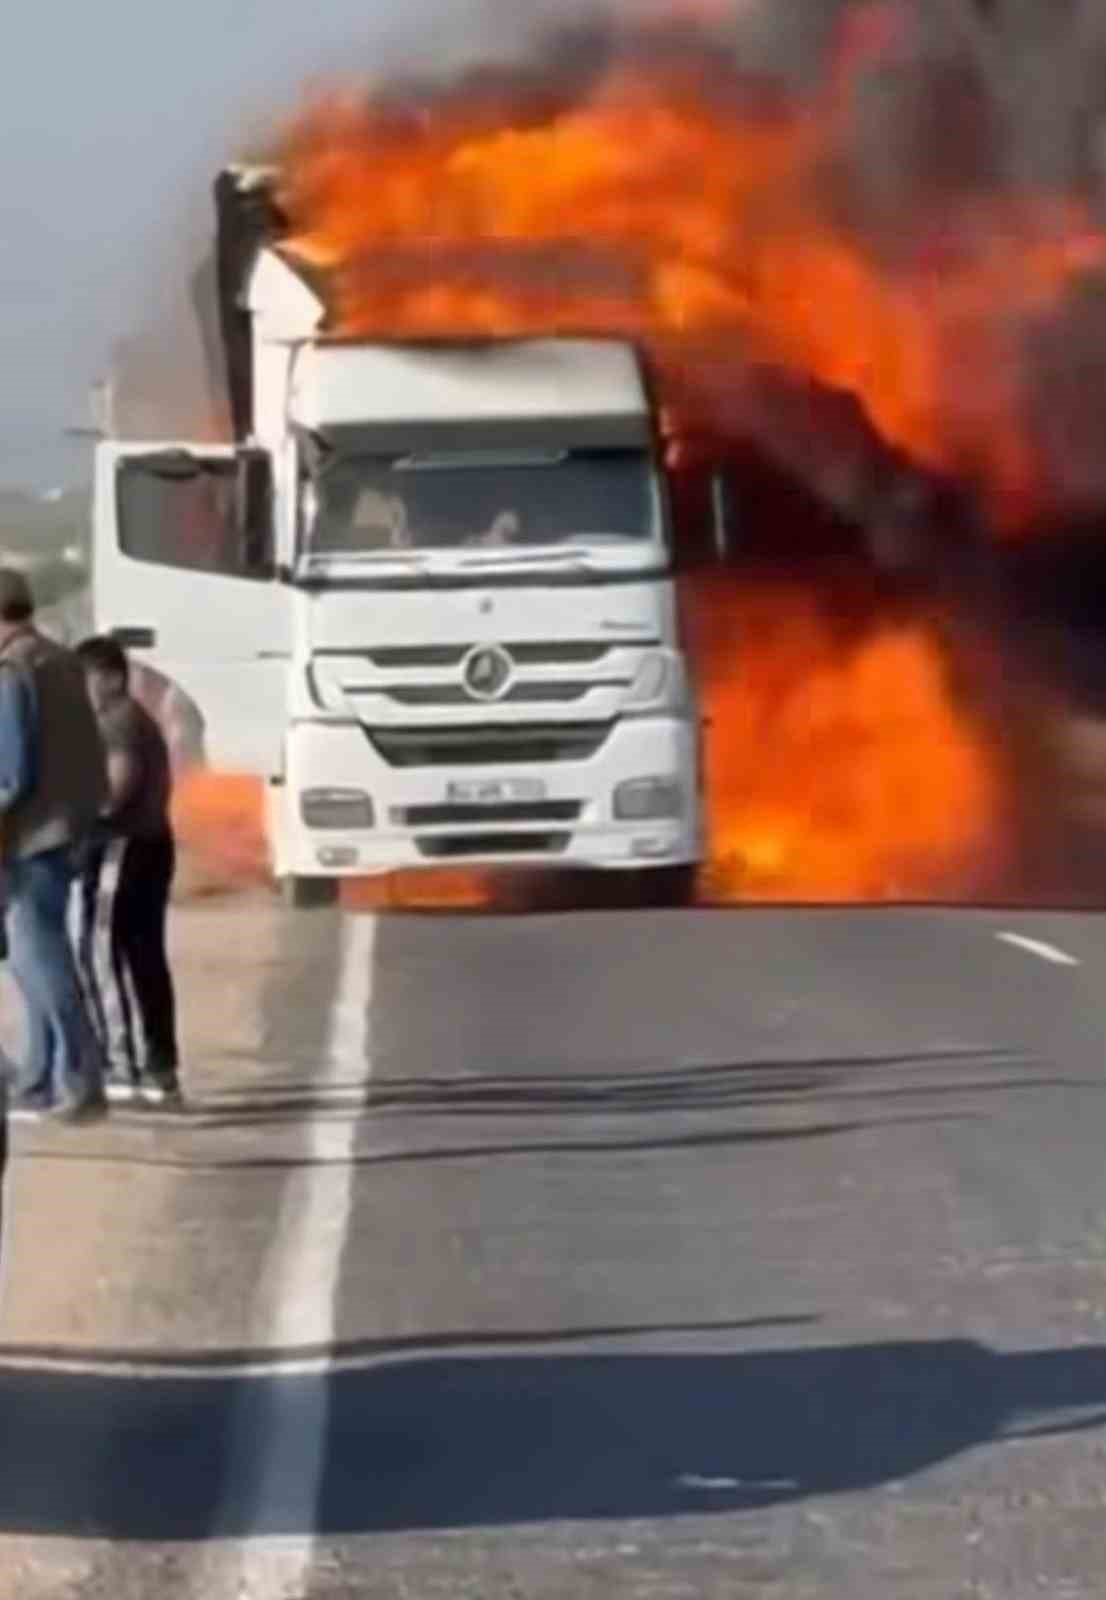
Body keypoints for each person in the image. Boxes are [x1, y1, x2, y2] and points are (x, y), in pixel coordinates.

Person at [0, 570, 109, 1123]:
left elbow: (10, 775)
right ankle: (40, 1073)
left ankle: (79, 1078)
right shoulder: (60, 661)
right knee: (31, 958)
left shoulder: (11, 672)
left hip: (28, 837)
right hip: (68, 826)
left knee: (40, 960)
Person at [73, 636, 182, 1107]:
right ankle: (156, 1067)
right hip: (145, 846)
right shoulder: (123, 721)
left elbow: (114, 794)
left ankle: (127, 1065)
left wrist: (68, 810)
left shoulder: (120, 724)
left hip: (124, 846)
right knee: (140, 956)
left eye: (87, 680)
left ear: (112, 677)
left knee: (103, 952)